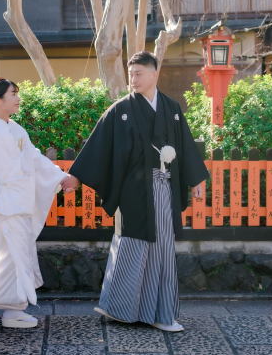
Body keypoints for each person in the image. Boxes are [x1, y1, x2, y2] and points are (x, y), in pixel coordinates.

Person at [64, 51, 209, 332]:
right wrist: (77, 176)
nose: (134, 79)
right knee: (131, 246)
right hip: (133, 191)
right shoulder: (121, 109)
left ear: (155, 74)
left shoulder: (172, 108)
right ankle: (119, 308)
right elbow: (99, 145)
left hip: (164, 187)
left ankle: (161, 313)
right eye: (131, 74)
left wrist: (196, 180)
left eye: (139, 73)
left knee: (163, 250)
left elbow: (186, 147)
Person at [0, 77, 79, 331]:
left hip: (18, 204)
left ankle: (14, 308)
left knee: (17, 258)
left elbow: (34, 160)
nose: (17, 98)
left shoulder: (17, 130)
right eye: (13, 94)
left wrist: (61, 177)